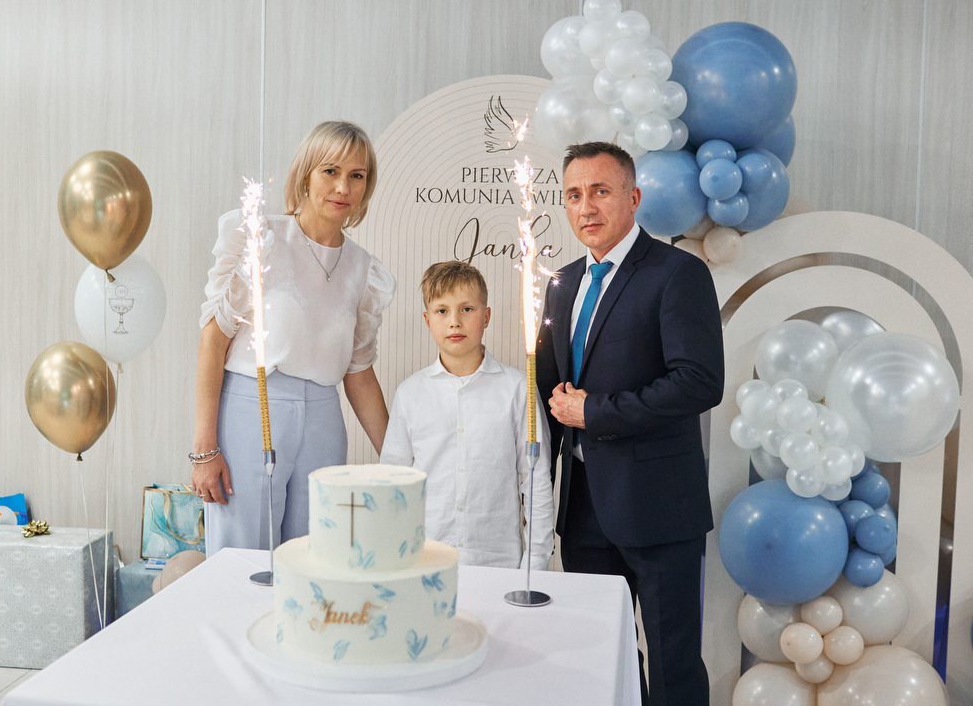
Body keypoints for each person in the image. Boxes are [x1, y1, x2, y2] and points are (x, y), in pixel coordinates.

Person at [536, 142, 724, 706]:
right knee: (603, 661)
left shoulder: (678, 273)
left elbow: (699, 382)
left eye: (600, 191)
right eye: (574, 195)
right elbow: (549, 396)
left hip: (658, 505)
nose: (586, 207)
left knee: (672, 665)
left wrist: (596, 412)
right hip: (583, 508)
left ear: (634, 197)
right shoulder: (562, 283)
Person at [192, 121, 395, 556]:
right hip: (251, 409)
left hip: (324, 419)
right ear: (306, 174)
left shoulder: (364, 269)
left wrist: (399, 462)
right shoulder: (261, 238)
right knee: (240, 558)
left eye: (357, 176)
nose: (343, 187)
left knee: (315, 560)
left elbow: (359, 372)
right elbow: (214, 340)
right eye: (330, 171)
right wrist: (204, 451)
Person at [380, 260, 554, 569]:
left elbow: (536, 479)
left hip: (497, 561)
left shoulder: (517, 388)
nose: (455, 322)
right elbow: (393, 482)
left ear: (486, 316)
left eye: (467, 309)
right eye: (442, 311)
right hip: (426, 559)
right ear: (427, 320)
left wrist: (535, 562)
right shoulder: (410, 393)